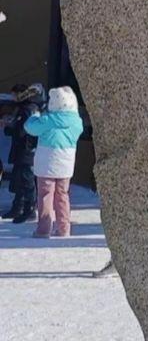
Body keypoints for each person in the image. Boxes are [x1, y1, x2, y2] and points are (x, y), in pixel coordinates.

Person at [22, 85, 84, 238]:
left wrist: (36, 114)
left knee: (45, 196)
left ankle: (44, 230)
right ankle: (64, 228)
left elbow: (30, 127)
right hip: (66, 165)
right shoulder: (76, 122)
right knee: (63, 195)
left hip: (47, 164)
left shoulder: (48, 120)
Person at [1, 82, 45, 224]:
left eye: (14, 95)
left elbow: (22, 130)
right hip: (21, 148)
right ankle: (17, 207)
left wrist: (9, 126)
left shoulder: (28, 109)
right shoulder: (23, 108)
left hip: (26, 149)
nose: (12, 98)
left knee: (27, 180)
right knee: (19, 179)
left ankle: (29, 209)